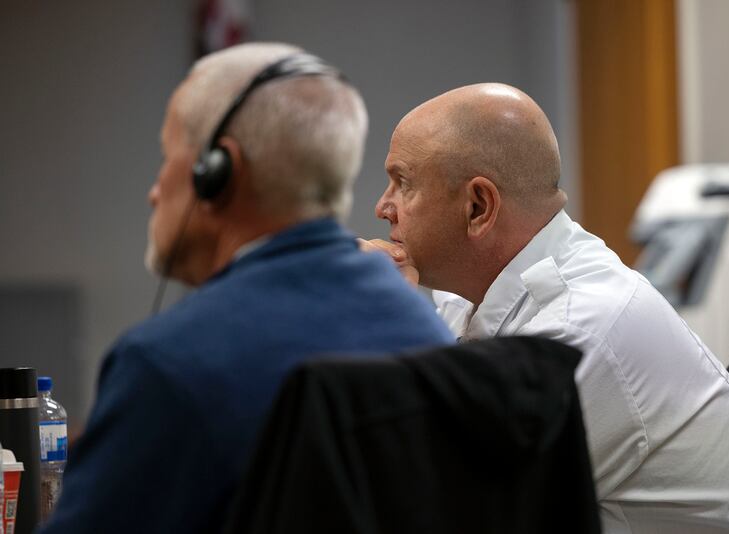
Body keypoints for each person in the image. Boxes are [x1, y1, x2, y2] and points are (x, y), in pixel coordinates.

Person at [40, 43, 454, 534]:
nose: (154, 190)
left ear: (217, 172)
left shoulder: (168, 364)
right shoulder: (427, 331)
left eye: (168, 157)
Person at [364, 83, 729, 533]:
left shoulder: (580, 330)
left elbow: (434, 509)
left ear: (478, 206)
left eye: (402, 183)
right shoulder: (463, 295)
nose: (382, 207)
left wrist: (384, 322)